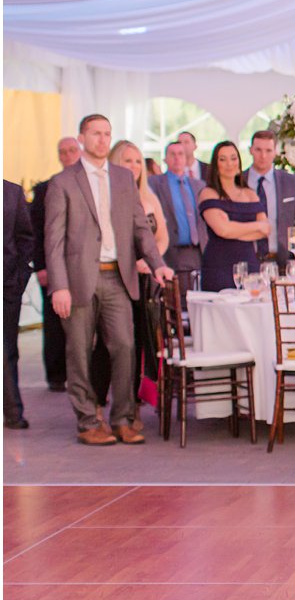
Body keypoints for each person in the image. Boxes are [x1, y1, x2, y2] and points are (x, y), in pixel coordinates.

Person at [45, 114, 174, 445]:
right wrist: (58, 285)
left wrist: (156, 263)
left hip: (118, 276)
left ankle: (123, 418)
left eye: (107, 134)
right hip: (76, 282)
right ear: (82, 137)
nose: (102, 140)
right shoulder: (62, 183)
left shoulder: (122, 178)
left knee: (125, 347)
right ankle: (88, 421)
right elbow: (54, 240)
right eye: (95, 134)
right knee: (78, 353)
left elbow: (140, 228)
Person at [88, 140, 169, 426]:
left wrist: (151, 260)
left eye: (137, 161)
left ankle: (133, 404)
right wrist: (130, 261)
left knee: (139, 343)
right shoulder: (105, 196)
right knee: (108, 344)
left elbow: (162, 236)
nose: (133, 167)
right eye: (127, 161)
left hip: (147, 282)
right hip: (116, 278)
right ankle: (98, 401)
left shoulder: (149, 197)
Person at [31, 136, 83, 392]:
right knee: (54, 322)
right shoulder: (44, 188)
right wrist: (41, 266)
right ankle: (56, 374)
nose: (68, 155)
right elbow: (36, 232)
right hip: (53, 265)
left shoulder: (92, 184)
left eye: (72, 150)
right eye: (63, 152)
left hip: (84, 264)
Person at [197, 142, 267, 293]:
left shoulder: (250, 194)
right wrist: (256, 226)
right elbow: (222, 230)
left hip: (250, 263)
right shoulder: (208, 193)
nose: (229, 164)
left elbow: (266, 229)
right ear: (216, 164)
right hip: (219, 266)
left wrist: (232, 227)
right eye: (223, 159)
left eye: (233, 158)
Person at [246, 130, 295, 268]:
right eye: (258, 150)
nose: (263, 156)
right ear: (250, 150)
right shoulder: (239, 182)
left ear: (275, 152)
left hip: (284, 261)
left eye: (268, 150)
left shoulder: (291, 183)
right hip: (247, 260)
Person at [149, 141, 207, 290]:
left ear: (186, 158)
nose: (177, 158)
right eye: (172, 154)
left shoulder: (199, 185)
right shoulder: (155, 183)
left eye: (180, 154)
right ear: (165, 159)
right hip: (171, 251)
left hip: (198, 252)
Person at [4, 180, 34, 429]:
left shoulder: (12, 192)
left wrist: (19, 278)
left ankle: (13, 411)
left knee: (6, 349)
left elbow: (26, 239)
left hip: (7, 285)